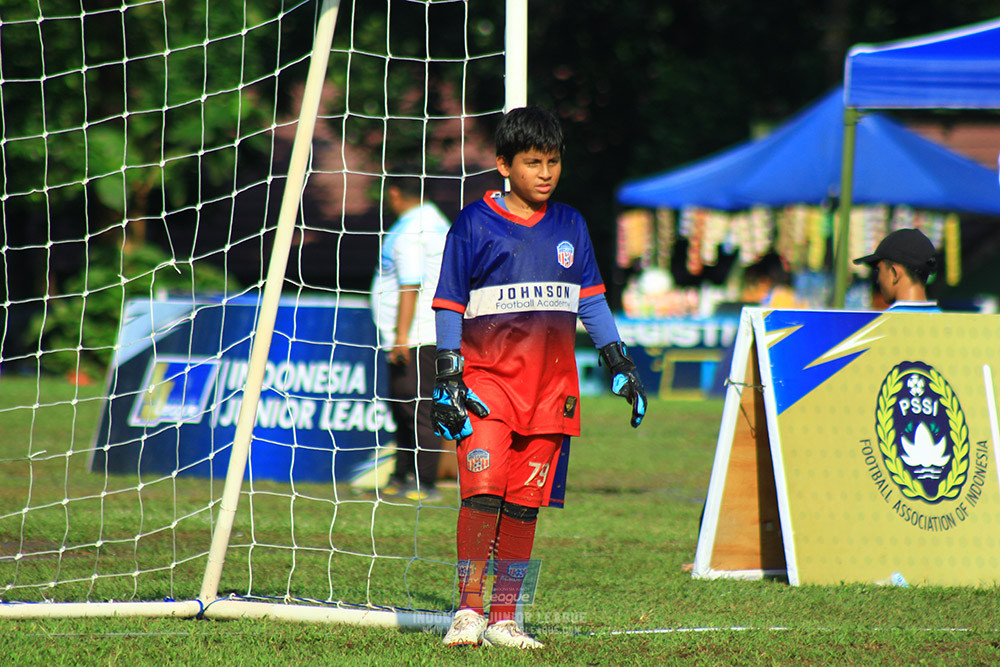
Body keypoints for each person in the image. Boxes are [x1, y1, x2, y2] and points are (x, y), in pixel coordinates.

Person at [430, 106, 647, 649]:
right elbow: (449, 303)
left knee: (524, 506)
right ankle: (468, 611)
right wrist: (448, 372)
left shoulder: (571, 224)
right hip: (486, 387)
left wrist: (619, 362)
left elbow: (591, 302)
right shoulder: (473, 224)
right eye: (533, 162)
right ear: (505, 165)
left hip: (551, 393)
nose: (545, 173)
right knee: (483, 495)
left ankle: (505, 618)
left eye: (553, 162)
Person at [369, 173, 451, 502]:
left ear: (394, 192)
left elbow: (410, 283)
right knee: (403, 407)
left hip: (417, 335)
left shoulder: (412, 230)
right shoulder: (434, 222)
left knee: (418, 408)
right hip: (422, 332)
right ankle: (402, 475)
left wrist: (401, 336)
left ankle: (424, 482)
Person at [852, 227, 940, 312]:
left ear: (894, 273)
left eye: (878, 270)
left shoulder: (880, 321)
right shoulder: (945, 319)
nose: (878, 280)